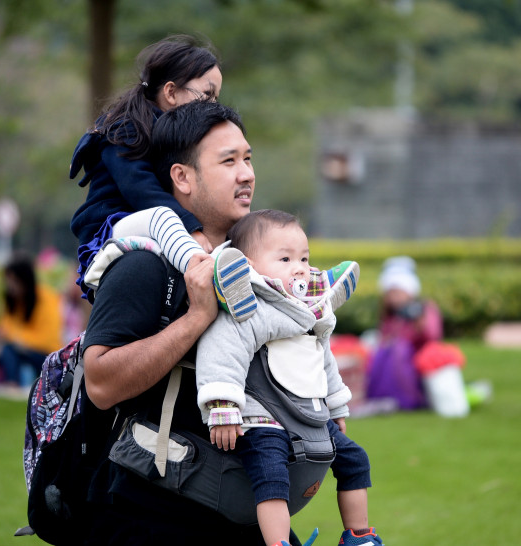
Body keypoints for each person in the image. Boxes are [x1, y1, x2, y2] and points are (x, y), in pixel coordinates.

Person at [80, 100, 278, 545]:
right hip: (150, 515)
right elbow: (100, 381)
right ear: (182, 178)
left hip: (238, 508)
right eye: (228, 161)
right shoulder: (143, 267)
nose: (246, 173)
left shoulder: (248, 265)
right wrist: (197, 318)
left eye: (247, 158)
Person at [195, 210, 382, 546]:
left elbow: (323, 362)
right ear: (248, 264)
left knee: (355, 459)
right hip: (262, 418)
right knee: (271, 474)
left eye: (304, 258)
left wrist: (336, 407)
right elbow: (220, 355)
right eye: (285, 258)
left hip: (308, 413)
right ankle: (279, 543)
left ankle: (358, 535)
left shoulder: (310, 314)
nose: (299, 267)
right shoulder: (250, 312)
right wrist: (222, 408)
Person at [68, 34, 256, 320]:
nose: (212, 106)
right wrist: (190, 226)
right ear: (170, 93)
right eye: (207, 96)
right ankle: (206, 271)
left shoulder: (164, 133)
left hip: (143, 228)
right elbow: (141, 190)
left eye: (217, 98)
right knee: (161, 217)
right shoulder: (126, 129)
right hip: (107, 229)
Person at [365, 256, 443, 410]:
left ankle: (410, 399)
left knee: (399, 350)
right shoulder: (390, 315)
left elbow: (432, 336)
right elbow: (383, 338)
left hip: (417, 364)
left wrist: (419, 321)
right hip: (391, 365)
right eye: (390, 293)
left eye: (398, 292)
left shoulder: (423, 308)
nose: (394, 297)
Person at [0, 254, 63, 390]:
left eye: (13, 282)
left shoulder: (46, 298)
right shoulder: (13, 302)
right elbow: (4, 329)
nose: (10, 287)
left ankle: (12, 384)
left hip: (45, 356)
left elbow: (48, 340)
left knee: (9, 349)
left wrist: (15, 337)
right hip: (17, 351)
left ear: (25, 281)